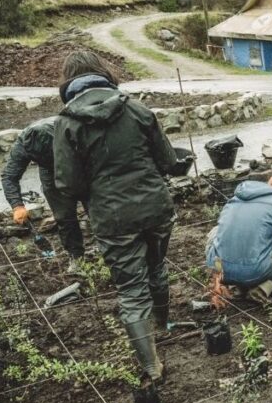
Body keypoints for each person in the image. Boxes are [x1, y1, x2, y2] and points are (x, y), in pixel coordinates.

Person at [54, 51, 180, 385]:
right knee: (157, 268)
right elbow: (167, 160)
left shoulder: (67, 123)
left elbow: (68, 184)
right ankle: (162, 325)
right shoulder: (137, 109)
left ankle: (152, 366)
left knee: (131, 290)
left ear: (68, 80)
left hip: (112, 218)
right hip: (155, 207)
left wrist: (97, 191)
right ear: (104, 73)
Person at [205, 173, 272, 319]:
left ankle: (237, 286)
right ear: (271, 181)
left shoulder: (233, 201)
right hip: (255, 271)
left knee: (215, 232)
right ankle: (262, 289)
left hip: (221, 270)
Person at [1, 117, 86, 271]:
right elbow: (9, 176)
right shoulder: (24, 144)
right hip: (49, 171)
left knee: (97, 208)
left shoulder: (70, 130)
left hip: (80, 164)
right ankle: (76, 257)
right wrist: (17, 206)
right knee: (64, 216)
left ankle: (111, 249)